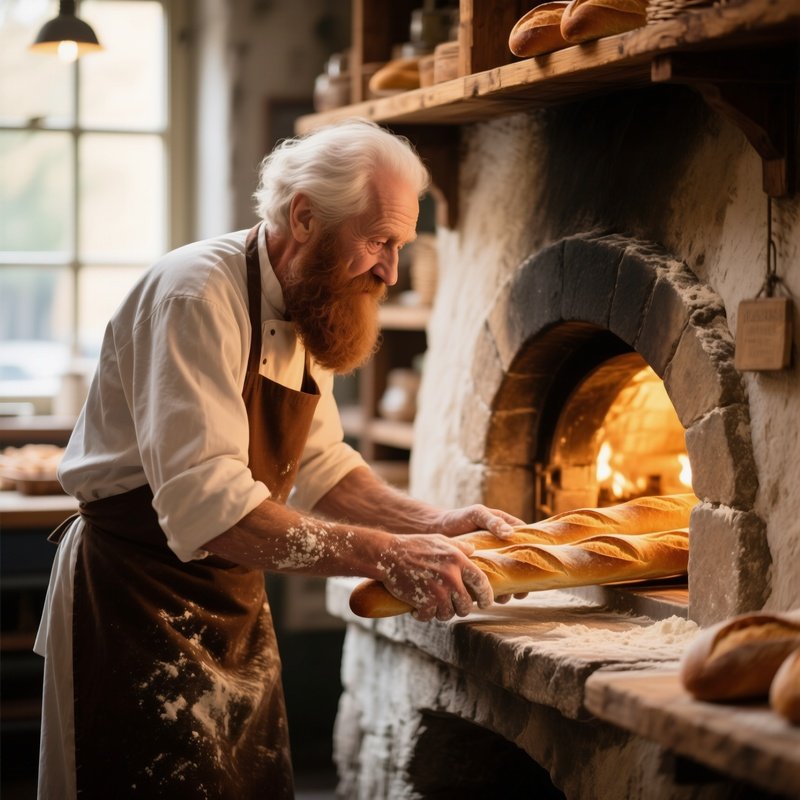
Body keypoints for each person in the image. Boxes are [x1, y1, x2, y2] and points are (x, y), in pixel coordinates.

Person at [34, 119, 523, 799]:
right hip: (135, 600)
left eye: (399, 246)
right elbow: (209, 513)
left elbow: (321, 462)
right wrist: (388, 555)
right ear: (304, 217)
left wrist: (430, 524)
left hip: (230, 604)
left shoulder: (302, 303)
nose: (391, 270)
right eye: (379, 241)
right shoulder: (197, 294)